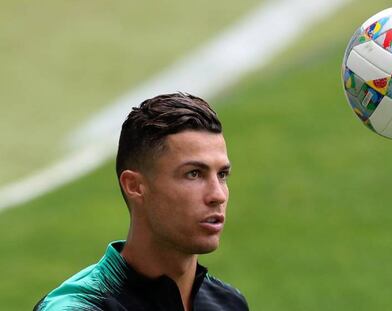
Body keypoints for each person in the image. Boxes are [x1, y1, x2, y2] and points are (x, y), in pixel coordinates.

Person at [34, 93, 249, 310]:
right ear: (135, 186)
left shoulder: (228, 303)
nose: (218, 195)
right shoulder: (78, 307)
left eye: (222, 175)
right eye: (193, 174)